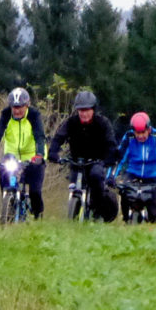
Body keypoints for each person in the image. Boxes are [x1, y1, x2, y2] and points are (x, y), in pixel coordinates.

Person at [47, 91, 118, 221]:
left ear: (93, 109)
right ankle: (74, 212)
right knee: (74, 184)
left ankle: (97, 211)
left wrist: (108, 160)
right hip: (76, 162)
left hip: (96, 162)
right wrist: (53, 153)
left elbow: (111, 144)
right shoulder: (71, 122)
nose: (83, 113)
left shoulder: (102, 123)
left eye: (87, 110)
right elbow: (58, 138)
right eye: (80, 110)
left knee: (96, 177)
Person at [0, 87, 46, 219]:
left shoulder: (34, 115)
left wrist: (39, 155)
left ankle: (38, 214)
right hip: (12, 156)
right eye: (14, 107)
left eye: (20, 107)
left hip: (33, 156)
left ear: (27, 105)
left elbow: (40, 136)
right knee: (4, 174)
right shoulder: (6, 115)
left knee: (35, 191)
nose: (16, 110)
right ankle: (8, 202)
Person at [106, 112, 156, 223]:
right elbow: (119, 158)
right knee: (124, 193)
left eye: (143, 132)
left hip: (152, 175)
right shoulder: (129, 137)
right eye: (137, 132)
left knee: (153, 211)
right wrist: (111, 176)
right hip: (132, 173)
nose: (140, 136)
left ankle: (154, 221)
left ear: (149, 129)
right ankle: (126, 219)